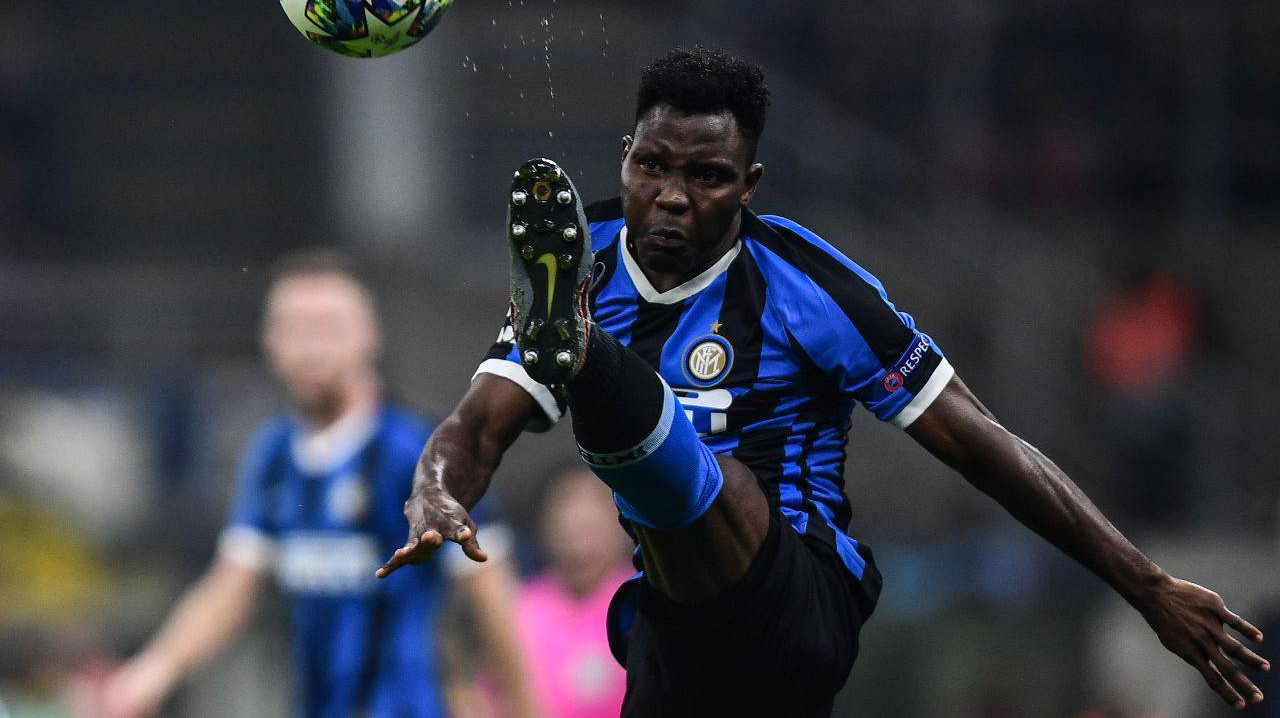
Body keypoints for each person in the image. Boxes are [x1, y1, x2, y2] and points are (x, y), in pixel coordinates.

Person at [378, 48, 1270, 715]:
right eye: (653, 166)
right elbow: (475, 429)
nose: (674, 195)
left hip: (799, 602)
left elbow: (988, 448)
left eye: (707, 176)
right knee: (658, 510)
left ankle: (584, 358)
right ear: (626, 159)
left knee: (694, 467)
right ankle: (585, 364)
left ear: (749, 184)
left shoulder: (814, 287)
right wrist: (433, 491)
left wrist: (1147, 585)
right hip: (674, 630)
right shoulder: (588, 258)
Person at [105, 251, 532, 718]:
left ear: (371, 335)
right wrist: (155, 669)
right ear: (269, 340)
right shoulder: (273, 455)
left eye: (328, 327)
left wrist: (525, 710)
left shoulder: (421, 452)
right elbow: (233, 584)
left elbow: (490, 593)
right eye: (294, 328)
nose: (310, 347)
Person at [513, 467, 632, 718]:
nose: (580, 541)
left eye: (591, 526)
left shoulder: (641, 603)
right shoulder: (520, 610)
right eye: (566, 511)